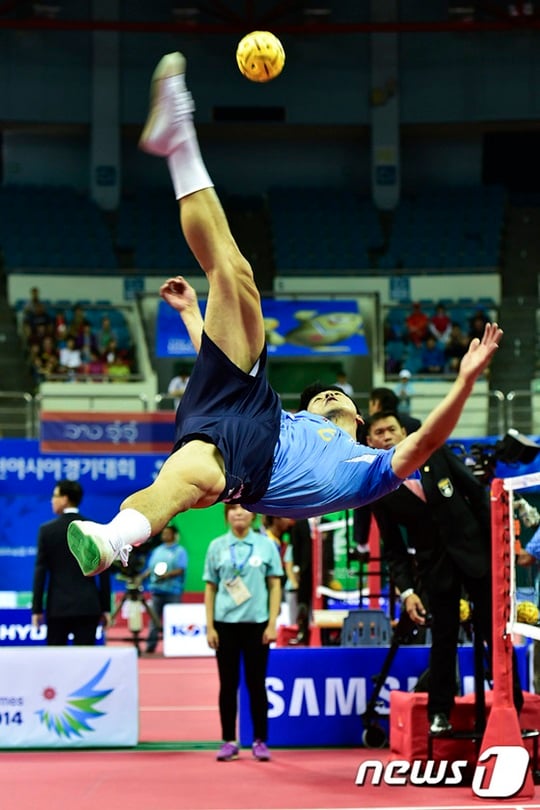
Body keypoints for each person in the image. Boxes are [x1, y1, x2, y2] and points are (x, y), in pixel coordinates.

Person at [66, 51, 503, 580]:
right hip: (253, 402)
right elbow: (215, 357)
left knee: (181, 485)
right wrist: (189, 314)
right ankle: (178, 135)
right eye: (320, 394)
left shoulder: (368, 469)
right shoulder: (296, 414)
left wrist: (465, 381)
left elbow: (428, 441)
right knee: (234, 273)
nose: (325, 393)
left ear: (359, 420)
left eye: (333, 393)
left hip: (253, 465)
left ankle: (112, 538)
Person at [364, 410, 523, 734]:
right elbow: (393, 549)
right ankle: (439, 712)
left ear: (403, 431)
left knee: (495, 633)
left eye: (390, 429)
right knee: (444, 638)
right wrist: (407, 592)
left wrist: (499, 552)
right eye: (378, 433)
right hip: (435, 570)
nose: (386, 436)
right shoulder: (378, 488)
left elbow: (477, 496)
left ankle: (512, 705)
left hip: (476, 556)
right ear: (369, 442)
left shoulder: (434, 452)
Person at [203, 504, 282, 762]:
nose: (239, 512)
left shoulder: (266, 545)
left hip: (257, 625)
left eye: (244, 508)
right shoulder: (216, 547)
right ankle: (228, 740)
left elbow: (275, 585)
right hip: (225, 624)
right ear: (226, 515)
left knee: (256, 684)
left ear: (254, 514)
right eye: (233, 508)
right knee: (228, 685)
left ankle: (260, 740)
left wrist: (272, 623)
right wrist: (210, 625)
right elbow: (211, 588)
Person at [32, 479, 111, 645]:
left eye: (55, 496)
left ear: (65, 499)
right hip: (88, 606)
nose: (51, 500)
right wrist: (106, 608)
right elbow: (104, 571)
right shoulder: (94, 528)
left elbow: (40, 572)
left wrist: (36, 609)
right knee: (86, 665)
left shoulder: (47, 531)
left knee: (56, 664)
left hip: (58, 607)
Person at [137, 524, 188, 654]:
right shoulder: (157, 550)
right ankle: (151, 646)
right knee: (154, 620)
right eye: (163, 533)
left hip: (172, 591)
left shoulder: (180, 551)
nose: (164, 535)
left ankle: (176, 646)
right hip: (156, 590)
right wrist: (142, 577)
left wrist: (166, 576)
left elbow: (181, 569)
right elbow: (151, 568)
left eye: (168, 533)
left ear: (174, 535)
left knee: (174, 620)